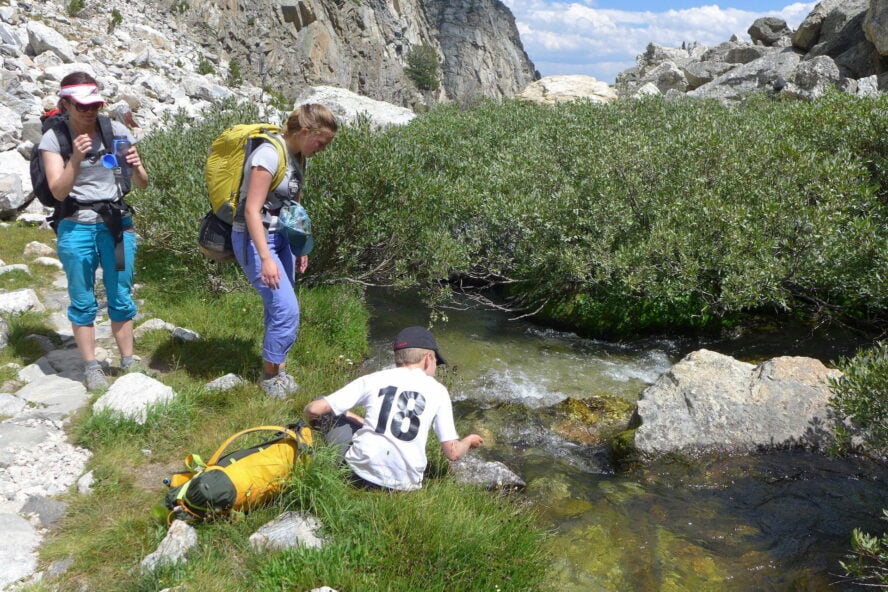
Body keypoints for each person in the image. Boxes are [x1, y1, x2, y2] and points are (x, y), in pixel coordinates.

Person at [39, 71, 149, 392]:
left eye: (95, 106)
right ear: (66, 104)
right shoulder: (54, 139)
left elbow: (141, 183)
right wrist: (75, 157)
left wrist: (138, 165)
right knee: (83, 297)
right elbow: (58, 191)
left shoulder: (114, 129)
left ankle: (127, 360)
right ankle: (91, 367)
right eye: (82, 107)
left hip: (116, 225)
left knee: (120, 292)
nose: (90, 112)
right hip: (76, 227)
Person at [231, 104, 337, 399]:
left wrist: (299, 244)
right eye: (322, 142)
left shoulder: (299, 156)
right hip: (255, 239)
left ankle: (279, 371)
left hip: (282, 238)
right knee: (286, 310)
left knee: (277, 308)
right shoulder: (267, 155)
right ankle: (269, 378)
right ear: (305, 132)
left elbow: (294, 207)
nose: (323, 148)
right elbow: (252, 210)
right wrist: (265, 258)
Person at [303, 326, 485, 491]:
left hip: (357, 475)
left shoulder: (374, 378)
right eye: (437, 361)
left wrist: (314, 422)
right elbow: (452, 452)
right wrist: (469, 440)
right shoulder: (439, 391)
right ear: (428, 359)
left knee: (324, 404)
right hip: (404, 486)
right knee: (345, 416)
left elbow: (314, 409)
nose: (436, 367)